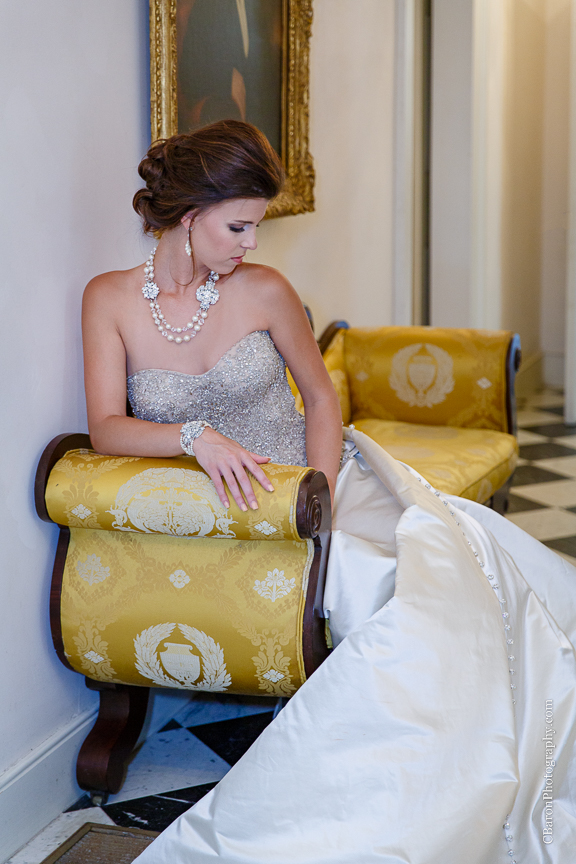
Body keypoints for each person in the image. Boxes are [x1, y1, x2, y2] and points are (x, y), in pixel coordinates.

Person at [83, 120, 576, 864]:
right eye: (239, 226)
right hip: (241, 505)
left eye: (256, 226)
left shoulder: (265, 290)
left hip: (323, 481)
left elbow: (320, 399)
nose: (251, 243)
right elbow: (106, 429)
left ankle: (462, 771)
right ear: (189, 216)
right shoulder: (109, 299)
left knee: (417, 580)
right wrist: (194, 437)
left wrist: (324, 507)